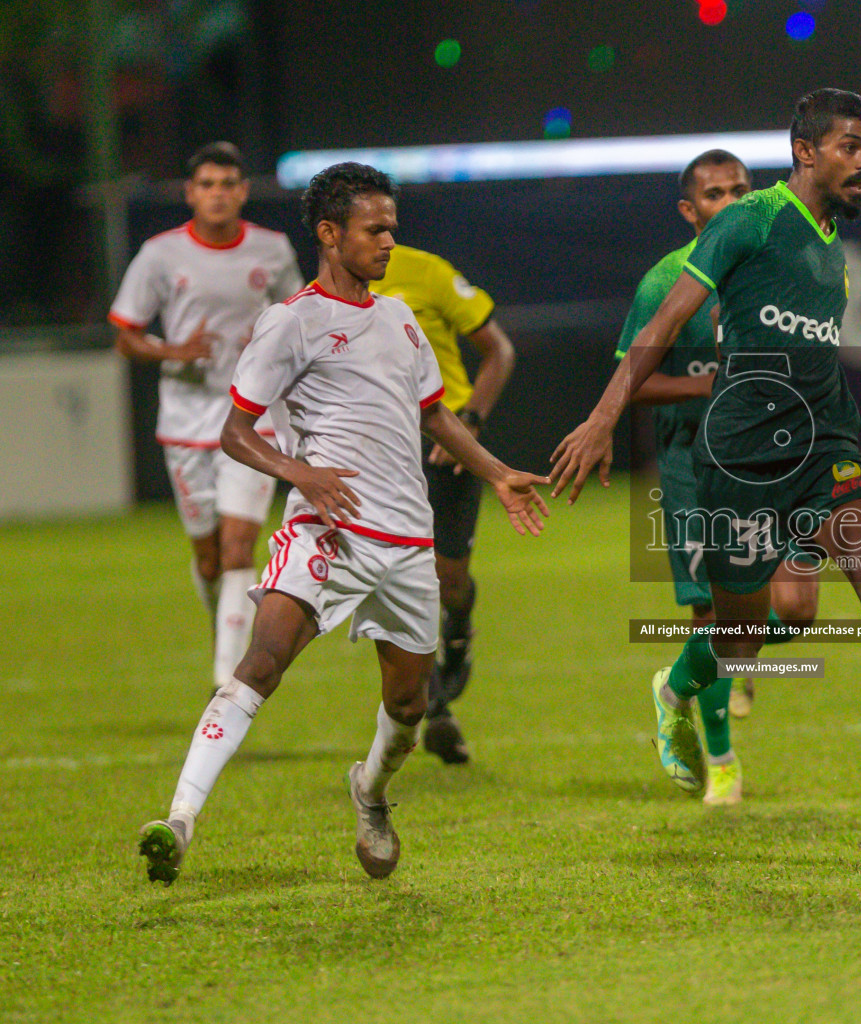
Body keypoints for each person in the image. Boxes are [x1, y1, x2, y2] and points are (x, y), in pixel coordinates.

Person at [137, 163, 550, 885]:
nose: (390, 240)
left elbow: (435, 416)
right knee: (258, 666)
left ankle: (371, 792)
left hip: (407, 542)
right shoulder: (291, 322)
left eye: (392, 226)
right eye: (375, 228)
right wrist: (300, 474)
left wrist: (496, 471)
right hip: (327, 533)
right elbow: (238, 433)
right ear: (331, 235)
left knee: (407, 705)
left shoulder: (396, 317)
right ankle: (178, 819)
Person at [552, 89, 861, 839]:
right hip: (737, 455)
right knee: (740, 635)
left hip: (824, 443)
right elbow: (668, 319)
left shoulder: (831, 241)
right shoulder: (750, 220)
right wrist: (603, 418)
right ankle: (675, 690)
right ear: (806, 152)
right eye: (850, 147)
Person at [616, 149, 821, 806]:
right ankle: (724, 763)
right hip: (690, 465)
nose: (730, 203)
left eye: (739, 190)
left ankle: (676, 680)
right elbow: (630, 382)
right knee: (717, 613)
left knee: (793, 609)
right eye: (713, 195)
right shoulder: (663, 283)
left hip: (771, 460)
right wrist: (706, 384)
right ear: (689, 209)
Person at [109, 142, 304, 692]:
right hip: (187, 422)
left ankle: (228, 678)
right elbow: (126, 337)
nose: (218, 194)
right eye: (207, 184)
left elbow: (300, 318)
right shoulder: (159, 254)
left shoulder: (272, 250)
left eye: (228, 184)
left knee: (241, 545)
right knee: (210, 556)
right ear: (191, 193)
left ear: (243, 192)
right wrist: (175, 351)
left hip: (251, 420)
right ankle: (224, 621)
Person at [371, 245, 516, 764]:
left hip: (443, 442)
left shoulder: (427, 271)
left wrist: (471, 421)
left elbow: (498, 349)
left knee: (447, 579)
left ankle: (458, 629)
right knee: (398, 578)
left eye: (386, 224)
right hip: (377, 453)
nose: (382, 236)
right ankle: (435, 711)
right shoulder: (317, 299)